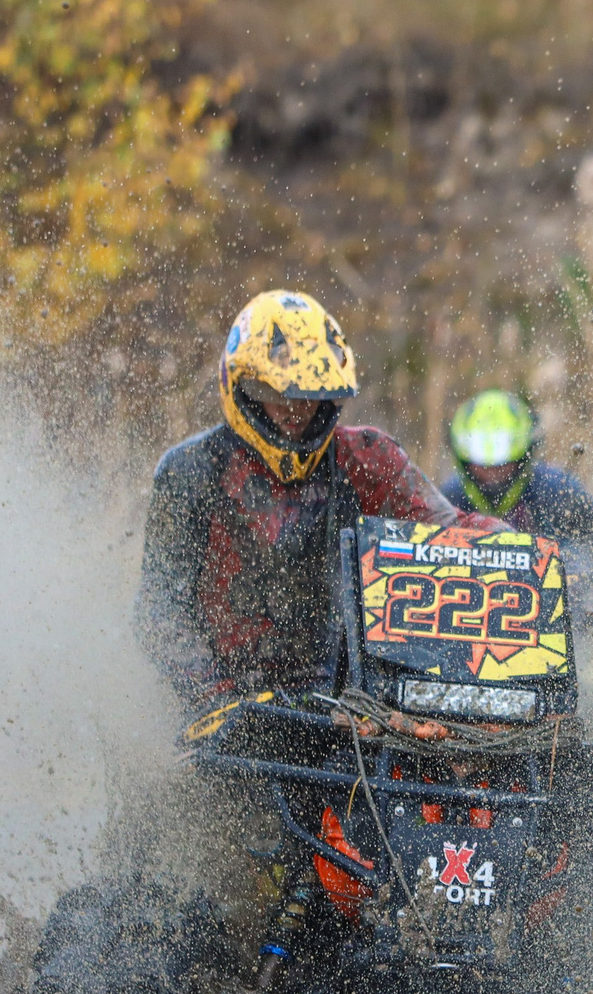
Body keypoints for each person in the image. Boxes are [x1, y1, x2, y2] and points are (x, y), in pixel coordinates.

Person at [136, 289, 459, 711]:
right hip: (218, 707)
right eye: (276, 391)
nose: (296, 409)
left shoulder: (367, 457)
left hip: (343, 705)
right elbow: (160, 613)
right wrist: (219, 701)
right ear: (244, 388)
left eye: (310, 394)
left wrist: (528, 556)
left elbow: (451, 536)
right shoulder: (192, 471)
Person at [435, 388, 593, 556]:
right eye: (482, 465)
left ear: (523, 458)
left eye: (502, 465)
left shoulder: (555, 490)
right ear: (464, 463)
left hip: (558, 599)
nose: (492, 474)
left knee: (579, 559)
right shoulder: (449, 498)